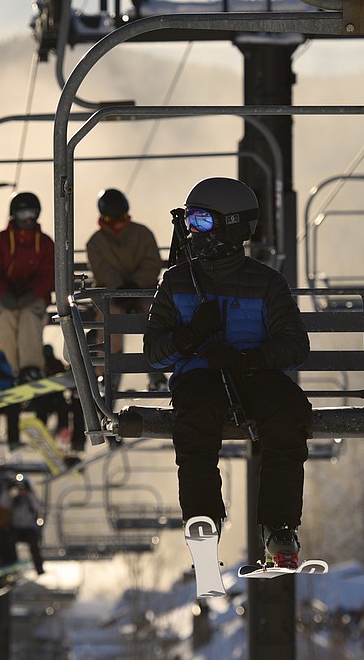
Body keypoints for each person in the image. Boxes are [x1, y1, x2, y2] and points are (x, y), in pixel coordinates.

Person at [143, 177, 312, 568]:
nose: (192, 232)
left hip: (253, 373)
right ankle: (203, 520)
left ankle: (279, 525)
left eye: (202, 222)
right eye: (190, 222)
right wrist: (189, 337)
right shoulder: (178, 281)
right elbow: (154, 354)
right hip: (200, 376)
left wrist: (247, 360)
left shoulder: (265, 283)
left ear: (232, 226)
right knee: (196, 421)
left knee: (288, 413)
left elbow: (295, 346)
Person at [86, 188, 168, 391]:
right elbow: (102, 270)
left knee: (155, 314)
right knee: (110, 316)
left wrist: (136, 286)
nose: (119, 224)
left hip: (143, 292)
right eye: (113, 219)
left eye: (122, 217)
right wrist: (119, 290)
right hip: (111, 296)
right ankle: (108, 373)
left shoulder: (142, 234)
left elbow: (152, 263)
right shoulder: (96, 242)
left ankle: (156, 369)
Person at [0, 191, 55, 384]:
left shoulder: (44, 243)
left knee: (30, 317)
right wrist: (3, 295)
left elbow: (50, 273)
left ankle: (31, 367)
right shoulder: (1, 241)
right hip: (7, 298)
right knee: (5, 317)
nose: (28, 219)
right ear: (14, 215)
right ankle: (17, 369)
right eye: (23, 214)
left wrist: (33, 293)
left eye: (33, 213)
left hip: (33, 298)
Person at [9, 475, 46, 575]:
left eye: (24, 488)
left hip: (29, 528)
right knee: (9, 542)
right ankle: (13, 566)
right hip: (17, 528)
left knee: (34, 545)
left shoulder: (30, 499)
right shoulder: (15, 500)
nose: (22, 491)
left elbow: (38, 507)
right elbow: (4, 504)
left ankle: (39, 567)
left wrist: (29, 494)